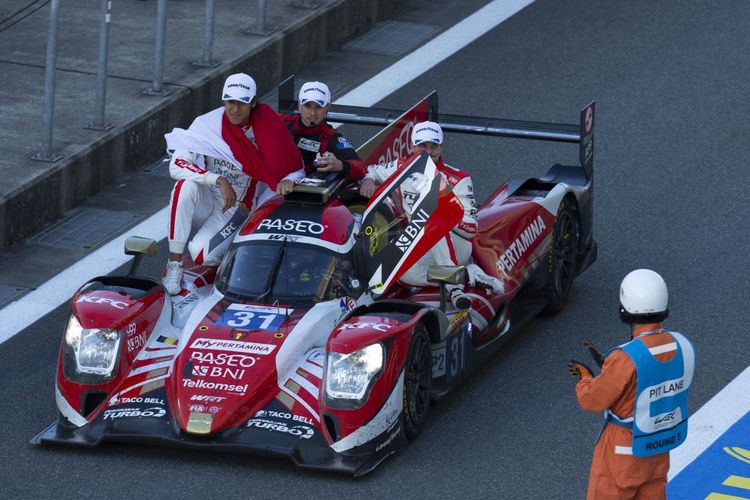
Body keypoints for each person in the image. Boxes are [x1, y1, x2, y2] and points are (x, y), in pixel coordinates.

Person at [161, 73, 304, 295]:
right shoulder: (207, 124)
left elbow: (295, 166)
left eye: (242, 103)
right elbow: (176, 164)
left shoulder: (268, 126)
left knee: (201, 255)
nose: (235, 109)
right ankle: (174, 264)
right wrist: (217, 179)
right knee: (184, 186)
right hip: (207, 196)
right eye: (230, 102)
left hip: (237, 206)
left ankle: (235, 260)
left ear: (253, 102)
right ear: (223, 100)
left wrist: (288, 179)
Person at [569, 269, 695, 499]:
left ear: (625, 309)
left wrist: (586, 379)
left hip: (623, 449)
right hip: (659, 443)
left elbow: (592, 400)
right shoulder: (682, 345)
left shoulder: (625, 357)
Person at [359, 121, 503, 309]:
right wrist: (368, 180)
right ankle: (469, 275)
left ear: (441, 146)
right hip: (419, 246)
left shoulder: (459, 178)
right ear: (412, 146)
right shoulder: (400, 167)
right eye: (422, 146)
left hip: (455, 243)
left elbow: (471, 229)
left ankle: (454, 289)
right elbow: (371, 170)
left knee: (434, 221)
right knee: (402, 273)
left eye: (433, 146)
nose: (428, 151)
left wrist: (447, 215)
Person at [281, 81, 366, 181]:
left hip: (299, 191)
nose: (312, 113)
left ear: (327, 107)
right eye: (307, 106)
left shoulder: (332, 138)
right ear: (299, 105)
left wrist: (340, 165)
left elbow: (361, 168)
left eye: (318, 107)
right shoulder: (281, 122)